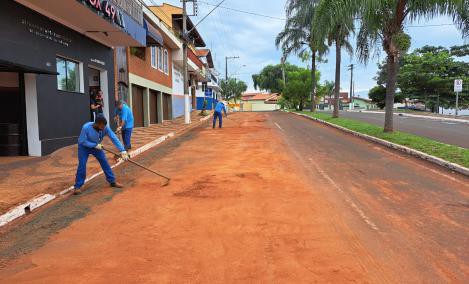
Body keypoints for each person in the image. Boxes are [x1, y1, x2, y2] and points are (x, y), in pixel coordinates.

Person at [73, 116, 129, 195]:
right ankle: (77, 186)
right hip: (84, 147)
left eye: (104, 127)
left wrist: (122, 150)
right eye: (101, 127)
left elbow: (114, 138)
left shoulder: (105, 128)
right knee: (82, 164)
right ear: (96, 124)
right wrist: (94, 145)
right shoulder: (86, 127)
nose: (103, 129)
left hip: (96, 146)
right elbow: (81, 141)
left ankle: (112, 181)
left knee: (104, 162)